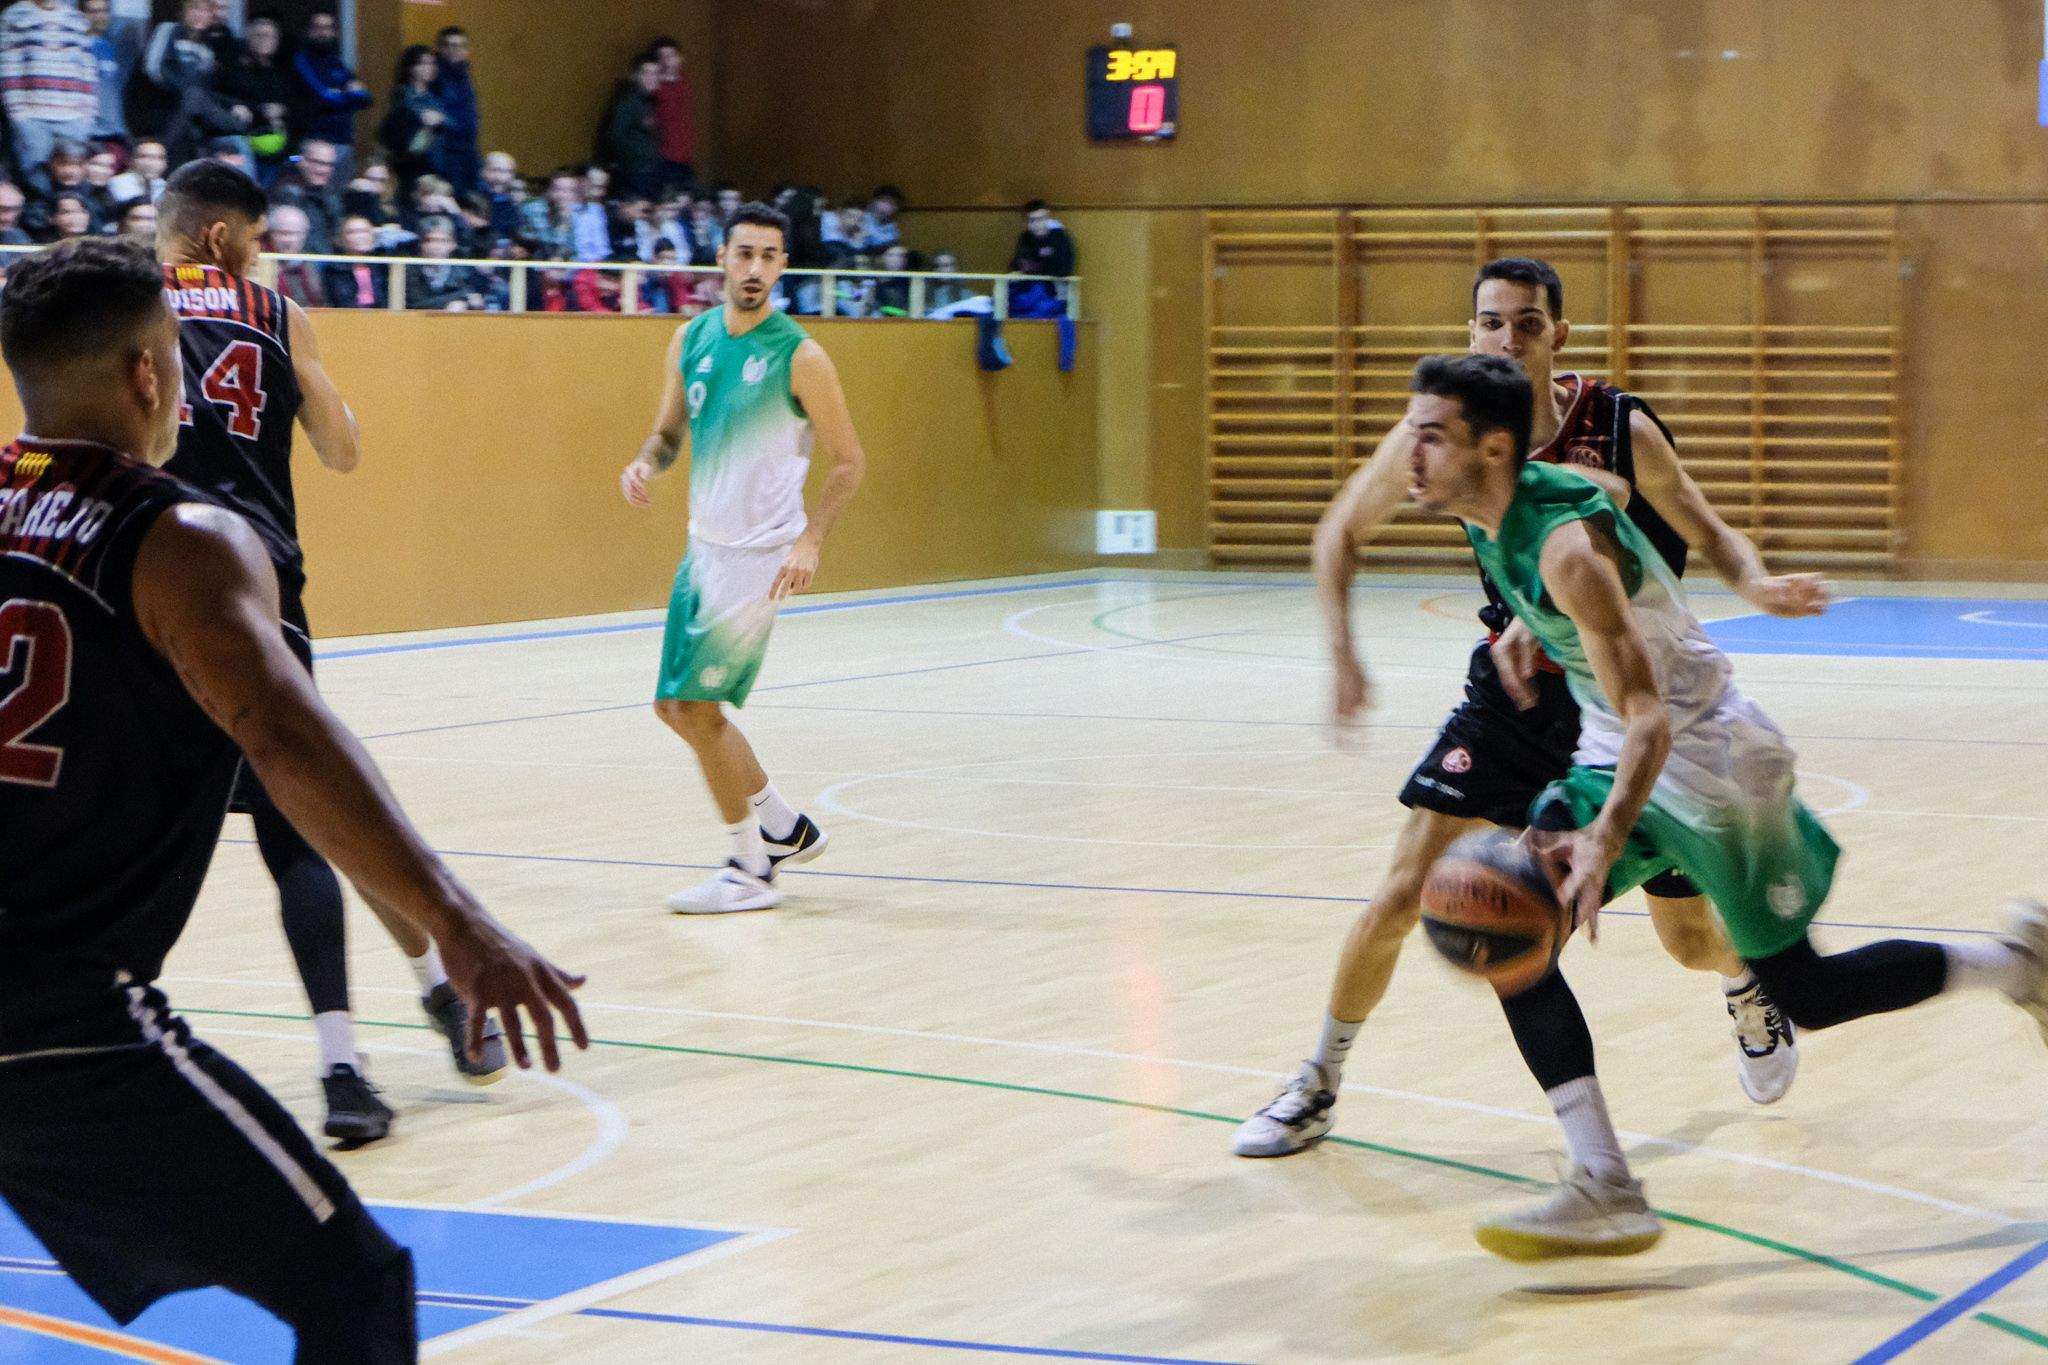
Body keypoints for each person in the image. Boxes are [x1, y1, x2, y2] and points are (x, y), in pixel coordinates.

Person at [0, 233, 589, 1361]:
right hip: (53, 1020)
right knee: (355, 1287)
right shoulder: (179, 536)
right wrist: (458, 925)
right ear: (147, 373)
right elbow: (282, 733)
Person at [1399, 350, 2048, 1256]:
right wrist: (1527, 627)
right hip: (1613, 748)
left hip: (1711, 763)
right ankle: (1605, 1183)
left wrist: (1600, 842)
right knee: (1515, 926)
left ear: (1493, 448)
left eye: (1431, 435)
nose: (1409, 452)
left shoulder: (1561, 553)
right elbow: (1604, 503)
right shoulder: (1501, 510)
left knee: (1809, 994)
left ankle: (2018, 965)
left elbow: (1650, 716)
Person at [1234, 257, 1824, 1166]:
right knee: (1405, 891)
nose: (1507, 339)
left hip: (1622, 698)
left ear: (1560, 336)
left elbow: (1703, 530)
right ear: (1472, 332)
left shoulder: (1619, 426)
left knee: (1688, 938)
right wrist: (1345, 652)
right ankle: (1317, 1080)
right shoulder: (1446, 432)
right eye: (1490, 323)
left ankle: (1746, 984)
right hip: (1511, 702)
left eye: (1527, 324)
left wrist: (1757, 581)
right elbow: (1339, 528)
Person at [158, 162, 501, 1141]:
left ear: (185, 235)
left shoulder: (136, 307)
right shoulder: (276, 315)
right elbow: (343, 449)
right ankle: (379, 1038)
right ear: (227, 237)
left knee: (260, 827)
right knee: (307, 827)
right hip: (266, 591)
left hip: (159, 592)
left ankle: (374, 1040)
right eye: (258, 238)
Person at [618, 203, 867, 913]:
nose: (755, 268)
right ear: (722, 258)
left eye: (769, 256)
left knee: (697, 709)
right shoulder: (691, 338)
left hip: (761, 557)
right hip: (704, 551)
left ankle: (750, 867)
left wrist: (811, 538)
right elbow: (668, 434)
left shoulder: (801, 355)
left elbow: (849, 461)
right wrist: (644, 462)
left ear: (783, 265)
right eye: (744, 253)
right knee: (672, 706)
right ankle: (782, 824)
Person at [0, 0, 95, 187]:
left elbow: (87, 70)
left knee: (72, 179)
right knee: (36, 177)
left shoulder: (76, 19)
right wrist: (19, 114)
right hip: (33, 116)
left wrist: (87, 115)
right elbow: (8, 68)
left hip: (74, 117)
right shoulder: (15, 16)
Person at [289, 6, 370, 183]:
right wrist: (348, 94)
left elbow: (365, 98)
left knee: (339, 200)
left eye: (327, 28)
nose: (322, 32)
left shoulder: (337, 63)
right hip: (315, 142)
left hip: (343, 142)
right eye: (317, 27)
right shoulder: (301, 60)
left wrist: (341, 95)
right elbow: (323, 96)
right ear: (308, 31)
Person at [219, 8, 290, 184]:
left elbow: (292, 103)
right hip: (244, 135)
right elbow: (220, 93)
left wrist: (282, 110)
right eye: (259, 35)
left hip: (276, 141)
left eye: (269, 36)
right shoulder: (235, 68)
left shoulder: (281, 72)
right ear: (249, 38)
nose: (264, 40)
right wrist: (242, 107)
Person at [378, 44, 445, 196]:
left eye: (432, 63)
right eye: (424, 63)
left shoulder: (434, 97)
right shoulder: (403, 97)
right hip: (412, 166)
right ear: (411, 67)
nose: (430, 68)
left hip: (436, 164)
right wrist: (422, 120)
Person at [79, 0, 143, 146]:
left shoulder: (110, 47)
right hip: (90, 133)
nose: (100, 16)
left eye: (104, 11)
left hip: (116, 131)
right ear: (81, 14)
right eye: (94, 11)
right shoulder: (78, 46)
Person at [601, 53, 661, 198]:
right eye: (646, 73)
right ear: (635, 76)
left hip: (646, 171)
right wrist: (636, 159)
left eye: (655, 73)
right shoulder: (628, 102)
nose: (651, 78)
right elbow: (615, 135)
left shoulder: (649, 103)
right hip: (634, 173)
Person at [429, 24, 479, 195]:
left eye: (458, 45)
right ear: (440, 48)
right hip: (447, 152)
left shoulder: (465, 75)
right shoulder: (435, 77)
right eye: (448, 45)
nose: (453, 50)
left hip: (468, 148)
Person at [269, 136, 342, 250]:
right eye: (317, 162)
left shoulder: (332, 197)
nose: (323, 170)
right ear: (301, 161)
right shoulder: (285, 192)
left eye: (329, 164)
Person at [406, 215, 485, 311]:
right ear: (421, 244)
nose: (436, 246)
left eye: (442, 241)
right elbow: (414, 304)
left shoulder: (466, 271)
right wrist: (462, 299)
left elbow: (479, 298)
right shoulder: (408, 271)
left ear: (453, 244)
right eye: (430, 241)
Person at [648, 36, 694, 190]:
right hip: (664, 158)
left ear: (680, 58)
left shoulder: (683, 85)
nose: (667, 61)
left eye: (671, 56)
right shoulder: (655, 88)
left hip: (685, 156)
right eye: (662, 57)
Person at [319, 212, 386, 308]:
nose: (360, 236)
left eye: (365, 231)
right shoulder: (332, 270)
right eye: (352, 232)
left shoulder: (383, 266)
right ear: (340, 238)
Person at [266, 201, 323, 307]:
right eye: (282, 233)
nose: (288, 240)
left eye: (295, 233)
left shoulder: (311, 266)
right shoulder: (261, 264)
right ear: (270, 234)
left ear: (305, 235)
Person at [108, 135, 167, 204]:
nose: (152, 163)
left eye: (160, 158)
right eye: (145, 157)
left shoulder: (164, 187)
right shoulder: (118, 183)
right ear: (131, 160)